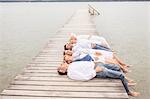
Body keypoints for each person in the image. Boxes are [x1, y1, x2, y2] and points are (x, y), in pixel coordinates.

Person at [57, 62, 140, 97]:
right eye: (61, 66)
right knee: (121, 75)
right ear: (62, 70)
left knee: (117, 67)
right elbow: (84, 77)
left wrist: (94, 62)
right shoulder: (71, 73)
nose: (62, 64)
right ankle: (129, 92)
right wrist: (95, 71)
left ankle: (125, 82)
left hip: (96, 64)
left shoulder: (71, 65)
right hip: (97, 71)